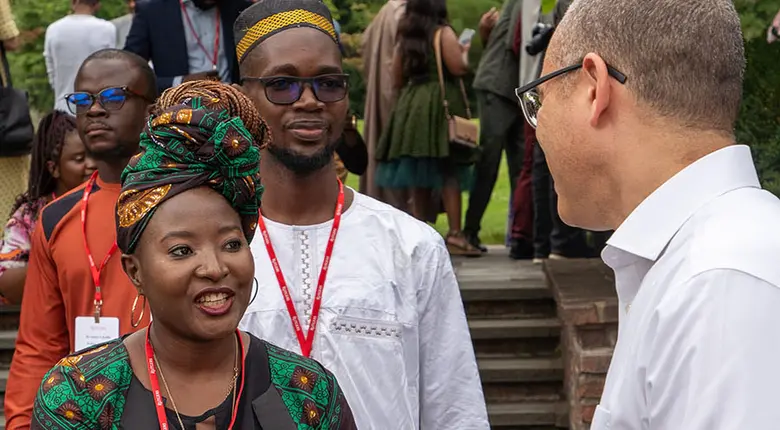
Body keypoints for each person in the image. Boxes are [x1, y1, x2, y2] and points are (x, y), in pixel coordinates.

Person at [30, 80, 357, 430]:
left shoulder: (308, 394)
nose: (215, 268)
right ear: (135, 272)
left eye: (232, 244)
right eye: (182, 250)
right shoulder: (78, 396)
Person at [516, 0, 780, 428]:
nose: (538, 124)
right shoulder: (710, 263)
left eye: (539, 99)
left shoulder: (720, 283)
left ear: (594, 86)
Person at [234, 0, 489, 428]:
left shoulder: (410, 247)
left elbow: (454, 408)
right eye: (283, 84)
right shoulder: (215, 247)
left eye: (328, 83)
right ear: (244, 98)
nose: (310, 101)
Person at [5, 49, 155, 428]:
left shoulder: (190, 203)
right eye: (83, 100)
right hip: (86, 411)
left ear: (151, 110)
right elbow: (39, 345)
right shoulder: (56, 218)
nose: (95, 110)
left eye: (114, 96)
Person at [375, 0, 481, 256]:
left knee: (417, 172)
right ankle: (455, 235)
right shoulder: (443, 33)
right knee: (448, 171)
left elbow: (397, 77)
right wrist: (465, 50)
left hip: (412, 107)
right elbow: (457, 66)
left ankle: (418, 228)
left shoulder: (407, 37)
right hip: (438, 105)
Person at [0, 111, 96, 305]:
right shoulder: (30, 216)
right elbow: (5, 282)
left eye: (93, 155)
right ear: (54, 168)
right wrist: (58, 261)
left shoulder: (108, 201)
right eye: (79, 159)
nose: (91, 164)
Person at [463, 0, 525, 254]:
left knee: (521, 168)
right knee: (489, 163)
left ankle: (519, 234)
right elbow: (516, 43)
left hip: (513, 89)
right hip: (498, 87)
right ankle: (469, 231)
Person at [124, 0, 252, 94]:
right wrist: (180, 82)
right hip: (176, 113)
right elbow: (128, 74)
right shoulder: (151, 11)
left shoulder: (242, 8)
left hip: (234, 109)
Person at [360, 0, 407, 203]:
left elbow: (364, 44)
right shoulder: (401, 13)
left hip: (378, 89)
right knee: (397, 150)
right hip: (396, 93)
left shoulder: (384, 12)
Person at [44, 0, 117, 112]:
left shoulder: (53, 29)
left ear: (73, 2)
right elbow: (112, 70)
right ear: (97, 4)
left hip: (64, 108)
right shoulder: (107, 29)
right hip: (98, 108)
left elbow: (52, 74)